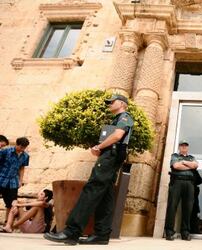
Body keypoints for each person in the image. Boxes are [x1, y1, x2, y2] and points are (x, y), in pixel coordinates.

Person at [44, 94, 134, 245]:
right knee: (106, 195)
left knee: (91, 189)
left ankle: (71, 232)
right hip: (112, 156)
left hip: (110, 157)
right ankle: (102, 234)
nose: (109, 104)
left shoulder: (124, 117)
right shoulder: (116, 119)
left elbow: (118, 135)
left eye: (112, 102)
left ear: (122, 103)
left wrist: (99, 147)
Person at [164, 140, 198, 241]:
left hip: (190, 184)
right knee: (172, 207)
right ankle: (169, 232)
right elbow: (175, 166)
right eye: (182, 145)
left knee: (188, 208)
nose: (184, 147)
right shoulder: (174, 156)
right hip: (177, 182)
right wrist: (188, 166)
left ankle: (185, 232)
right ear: (179, 147)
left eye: (185, 146)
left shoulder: (192, 157)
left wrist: (183, 162)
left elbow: (195, 166)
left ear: (188, 147)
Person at [0, 137, 30, 222]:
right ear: (16, 144)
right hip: (1, 179)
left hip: (13, 182)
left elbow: (22, 168)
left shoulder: (26, 156)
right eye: (21, 147)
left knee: (11, 204)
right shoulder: (5, 151)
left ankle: (7, 223)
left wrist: (20, 181)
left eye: (24, 147)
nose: (22, 149)